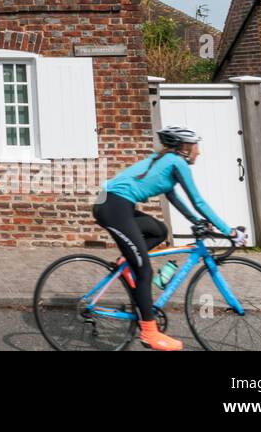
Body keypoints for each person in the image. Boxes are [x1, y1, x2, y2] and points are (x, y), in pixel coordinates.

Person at [94, 126, 244, 351]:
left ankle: (127, 260)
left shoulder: (166, 161)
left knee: (159, 231)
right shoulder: (177, 163)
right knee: (145, 271)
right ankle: (149, 333)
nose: (198, 152)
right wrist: (229, 231)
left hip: (115, 204)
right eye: (196, 147)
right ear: (184, 147)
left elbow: (174, 198)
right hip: (114, 206)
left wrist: (196, 221)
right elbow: (198, 201)